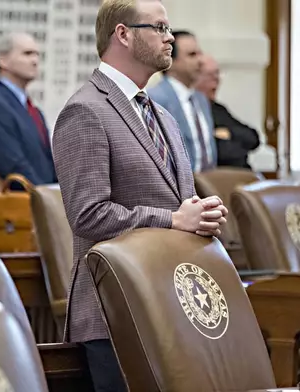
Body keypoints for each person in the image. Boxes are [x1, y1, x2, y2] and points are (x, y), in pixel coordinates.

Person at [52, 1, 228, 391]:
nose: (171, 39)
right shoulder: (85, 111)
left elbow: (176, 202)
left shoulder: (162, 115)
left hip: (170, 303)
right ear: (124, 35)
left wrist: (201, 214)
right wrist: (174, 220)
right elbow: (88, 214)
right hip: (116, 309)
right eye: (160, 28)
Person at [0, 32, 57, 186]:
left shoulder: (33, 110)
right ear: (3, 60)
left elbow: (46, 161)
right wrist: (43, 195)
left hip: (43, 202)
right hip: (17, 202)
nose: (35, 61)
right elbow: (11, 164)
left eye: (36, 54)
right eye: (27, 54)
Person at [148, 30, 216, 172]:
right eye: (192, 55)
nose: (200, 61)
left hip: (208, 185)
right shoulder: (156, 99)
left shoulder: (200, 99)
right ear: (170, 60)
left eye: (199, 53)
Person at [196, 54, 260, 169]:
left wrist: (229, 133)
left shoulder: (218, 109)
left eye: (218, 74)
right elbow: (221, 152)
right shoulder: (192, 112)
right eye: (210, 76)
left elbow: (252, 138)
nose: (217, 81)